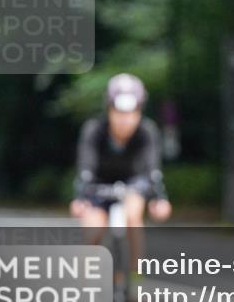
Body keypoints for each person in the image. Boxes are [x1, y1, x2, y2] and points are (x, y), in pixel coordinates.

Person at [70, 73, 172, 269]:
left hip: (133, 184)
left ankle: (135, 279)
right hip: (98, 186)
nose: (125, 120)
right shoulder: (94, 130)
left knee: (133, 217)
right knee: (92, 229)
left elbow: (153, 171)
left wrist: (160, 198)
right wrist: (80, 197)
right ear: (109, 110)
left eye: (131, 113)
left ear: (139, 112)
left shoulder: (146, 132)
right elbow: (85, 168)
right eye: (119, 112)